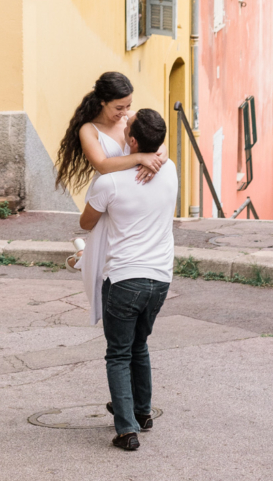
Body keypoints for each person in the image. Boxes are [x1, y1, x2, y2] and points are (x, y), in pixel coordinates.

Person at [79, 108, 178, 452]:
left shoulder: (110, 182)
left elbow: (85, 223)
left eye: (127, 127)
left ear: (133, 141)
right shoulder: (172, 170)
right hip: (160, 279)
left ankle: (126, 430)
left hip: (124, 279)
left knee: (118, 354)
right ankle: (142, 412)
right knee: (139, 345)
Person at [54, 72, 167, 324]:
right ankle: (83, 259)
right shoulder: (89, 130)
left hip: (136, 196)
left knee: (119, 251)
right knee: (105, 255)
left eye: (129, 105)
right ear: (102, 101)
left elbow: (158, 141)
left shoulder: (129, 120)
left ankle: (84, 257)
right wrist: (139, 158)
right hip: (110, 193)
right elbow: (103, 164)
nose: (125, 112)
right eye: (119, 107)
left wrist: (158, 159)